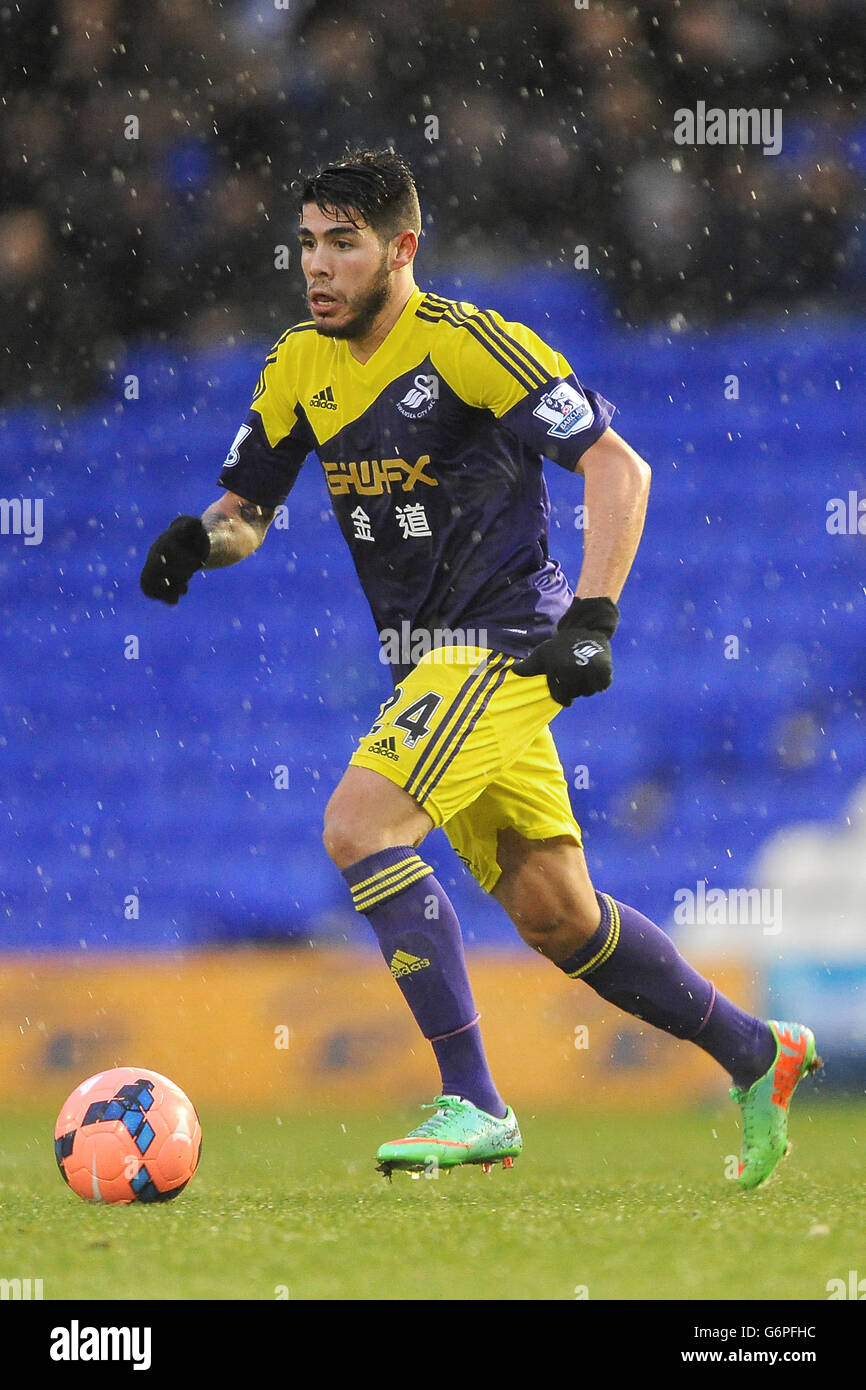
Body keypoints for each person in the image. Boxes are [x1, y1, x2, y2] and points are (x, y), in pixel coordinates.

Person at [140, 148, 819, 1187]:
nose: (316, 266)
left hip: (503, 638)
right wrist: (200, 538)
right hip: (422, 664)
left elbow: (615, 463)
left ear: (400, 249)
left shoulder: (464, 345)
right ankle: (753, 1051)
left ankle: (475, 1101)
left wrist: (592, 617)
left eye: (343, 244)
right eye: (307, 245)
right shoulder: (296, 365)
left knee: (360, 826)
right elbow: (248, 511)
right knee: (556, 913)